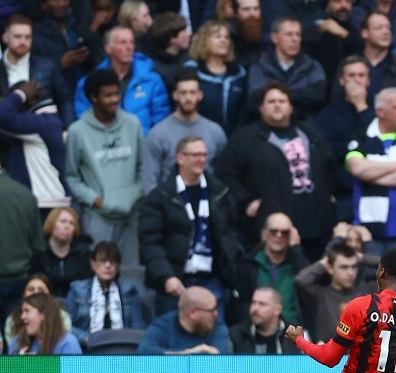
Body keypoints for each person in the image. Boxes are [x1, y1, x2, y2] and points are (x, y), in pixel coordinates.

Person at [214, 82, 335, 257]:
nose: (277, 105)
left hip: (314, 225)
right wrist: (245, 202)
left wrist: (328, 193)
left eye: (282, 101)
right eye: (271, 102)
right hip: (271, 228)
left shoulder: (309, 133)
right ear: (262, 107)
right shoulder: (245, 138)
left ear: (291, 107)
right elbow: (225, 175)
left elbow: (330, 164)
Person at [139, 135, 241, 319]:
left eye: (203, 155)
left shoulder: (220, 192)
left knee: (215, 341)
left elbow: (230, 231)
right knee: (172, 341)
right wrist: (166, 276)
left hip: (212, 279)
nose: (201, 159)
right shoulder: (160, 196)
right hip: (175, 282)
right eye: (195, 155)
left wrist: (227, 267)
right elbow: (150, 242)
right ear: (180, 158)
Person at [345, 87, 396, 289]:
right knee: (373, 289)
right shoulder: (361, 135)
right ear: (381, 112)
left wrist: (372, 175)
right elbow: (357, 168)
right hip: (371, 231)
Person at [65, 68, 144, 268]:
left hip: (131, 214)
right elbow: (71, 177)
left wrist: (136, 194)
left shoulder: (133, 124)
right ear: (93, 97)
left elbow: (144, 167)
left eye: (116, 93)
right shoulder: (78, 131)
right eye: (107, 95)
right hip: (98, 216)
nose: (114, 99)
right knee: (99, 273)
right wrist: (96, 200)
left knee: (131, 275)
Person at [74, 26, 170, 136]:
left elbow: (160, 118)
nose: (129, 47)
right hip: (104, 145)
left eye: (132, 42)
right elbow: (83, 117)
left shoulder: (152, 80)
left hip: (143, 144)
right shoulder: (90, 83)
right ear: (108, 49)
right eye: (123, 43)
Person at [143, 69, 227, 194]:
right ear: (175, 95)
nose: (188, 98)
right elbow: (149, 180)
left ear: (200, 95)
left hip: (208, 203)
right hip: (171, 205)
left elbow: (223, 175)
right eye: (183, 93)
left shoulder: (215, 132)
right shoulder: (158, 134)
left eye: (192, 93)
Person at [315, 56, 376, 222]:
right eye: (352, 75)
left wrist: (362, 107)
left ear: (368, 80)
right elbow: (325, 151)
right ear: (342, 80)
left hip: (377, 189)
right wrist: (357, 147)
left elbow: (380, 144)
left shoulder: (380, 110)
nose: (357, 80)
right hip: (343, 193)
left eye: (361, 75)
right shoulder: (329, 114)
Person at [0, 79, 69, 213]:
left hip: (48, 202)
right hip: (43, 200)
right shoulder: (46, 122)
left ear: (28, 102)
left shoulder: (43, 123)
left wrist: (20, 94)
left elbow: (2, 116)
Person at [246, 16, 326, 121]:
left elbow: (318, 96)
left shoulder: (313, 66)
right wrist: (299, 96)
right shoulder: (259, 67)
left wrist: (277, 95)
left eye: (298, 34)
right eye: (289, 34)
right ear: (275, 38)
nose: (295, 39)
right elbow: (256, 101)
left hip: (304, 125)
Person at [65, 241, 146, 345]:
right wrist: (87, 339)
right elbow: (66, 325)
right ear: (92, 264)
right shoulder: (77, 289)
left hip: (122, 347)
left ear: (118, 265)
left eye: (112, 261)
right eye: (102, 261)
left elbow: (138, 327)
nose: (108, 265)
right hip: (86, 348)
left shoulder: (129, 290)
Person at [0, 14, 74, 126]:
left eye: (27, 37)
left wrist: (68, 130)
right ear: (5, 38)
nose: (23, 42)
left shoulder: (48, 66)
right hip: (7, 136)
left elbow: (64, 100)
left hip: (44, 133)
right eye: (17, 36)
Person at [294, 243, 377, 343]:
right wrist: (324, 262)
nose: (350, 273)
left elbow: (395, 270)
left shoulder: (368, 290)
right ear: (330, 268)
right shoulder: (319, 295)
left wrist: (361, 257)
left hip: (361, 356)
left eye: (354, 266)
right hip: (328, 356)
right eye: (344, 267)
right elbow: (301, 280)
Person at [242, 212, 311, 326]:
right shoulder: (249, 264)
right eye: (273, 231)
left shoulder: (297, 263)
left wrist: (296, 249)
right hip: (258, 329)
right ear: (264, 234)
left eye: (284, 232)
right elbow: (243, 303)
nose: (279, 236)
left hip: (292, 332)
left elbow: (310, 285)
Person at [0, 160, 46, 327]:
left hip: (19, 282)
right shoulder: (25, 194)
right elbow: (39, 245)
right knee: (16, 338)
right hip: (19, 280)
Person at [184, 20, 247, 136]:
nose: (223, 41)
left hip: (234, 139)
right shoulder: (191, 71)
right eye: (217, 37)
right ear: (204, 40)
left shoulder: (239, 73)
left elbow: (243, 112)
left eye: (227, 37)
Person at [137, 285, 231, 355]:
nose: (216, 313)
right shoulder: (162, 325)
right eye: (211, 310)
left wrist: (172, 355)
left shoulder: (217, 325)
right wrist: (192, 352)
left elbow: (220, 356)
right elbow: (144, 351)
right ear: (193, 313)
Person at [3, 273, 73, 352]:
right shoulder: (17, 342)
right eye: (31, 289)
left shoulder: (67, 342)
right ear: (23, 294)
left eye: (41, 290)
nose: (36, 293)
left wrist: (27, 364)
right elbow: (9, 363)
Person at [357, 9, 396, 102]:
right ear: (365, 33)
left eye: (388, 28)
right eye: (379, 28)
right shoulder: (351, 64)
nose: (386, 32)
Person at [35, 207, 92, 298]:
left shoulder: (83, 254)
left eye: (71, 223)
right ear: (52, 224)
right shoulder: (39, 253)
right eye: (62, 221)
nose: (67, 226)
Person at [229, 286, 301, 354]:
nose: (255, 308)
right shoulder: (236, 335)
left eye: (262, 304)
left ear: (277, 310)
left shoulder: (296, 335)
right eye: (253, 302)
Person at [7, 293, 81, 355]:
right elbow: (8, 372)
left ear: (44, 314)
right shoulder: (17, 341)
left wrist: (29, 367)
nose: (22, 317)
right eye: (22, 312)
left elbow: (73, 372)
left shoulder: (68, 343)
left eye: (27, 311)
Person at [139, 12, 192, 95]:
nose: (189, 34)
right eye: (184, 31)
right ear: (172, 39)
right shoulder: (156, 69)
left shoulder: (190, 56)